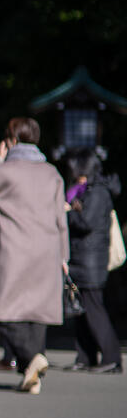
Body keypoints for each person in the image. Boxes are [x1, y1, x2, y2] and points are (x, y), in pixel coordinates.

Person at [0, 118, 69, 394]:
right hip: (48, 250)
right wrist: (64, 255)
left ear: (11, 140)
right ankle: (32, 376)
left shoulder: (7, 172)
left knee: (2, 312)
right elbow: (61, 218)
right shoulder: (52, 173)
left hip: (14, 251)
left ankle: (31, 359)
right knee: (37, 314)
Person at [64, 150, 122, 373]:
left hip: (91, 259)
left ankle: (111, 356)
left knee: (94, 308)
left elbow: (86, 222)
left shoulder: (98, 192)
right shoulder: (89, 190)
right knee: (82, 308)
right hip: (83, 258)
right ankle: (85, 356)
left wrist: (69, 213)